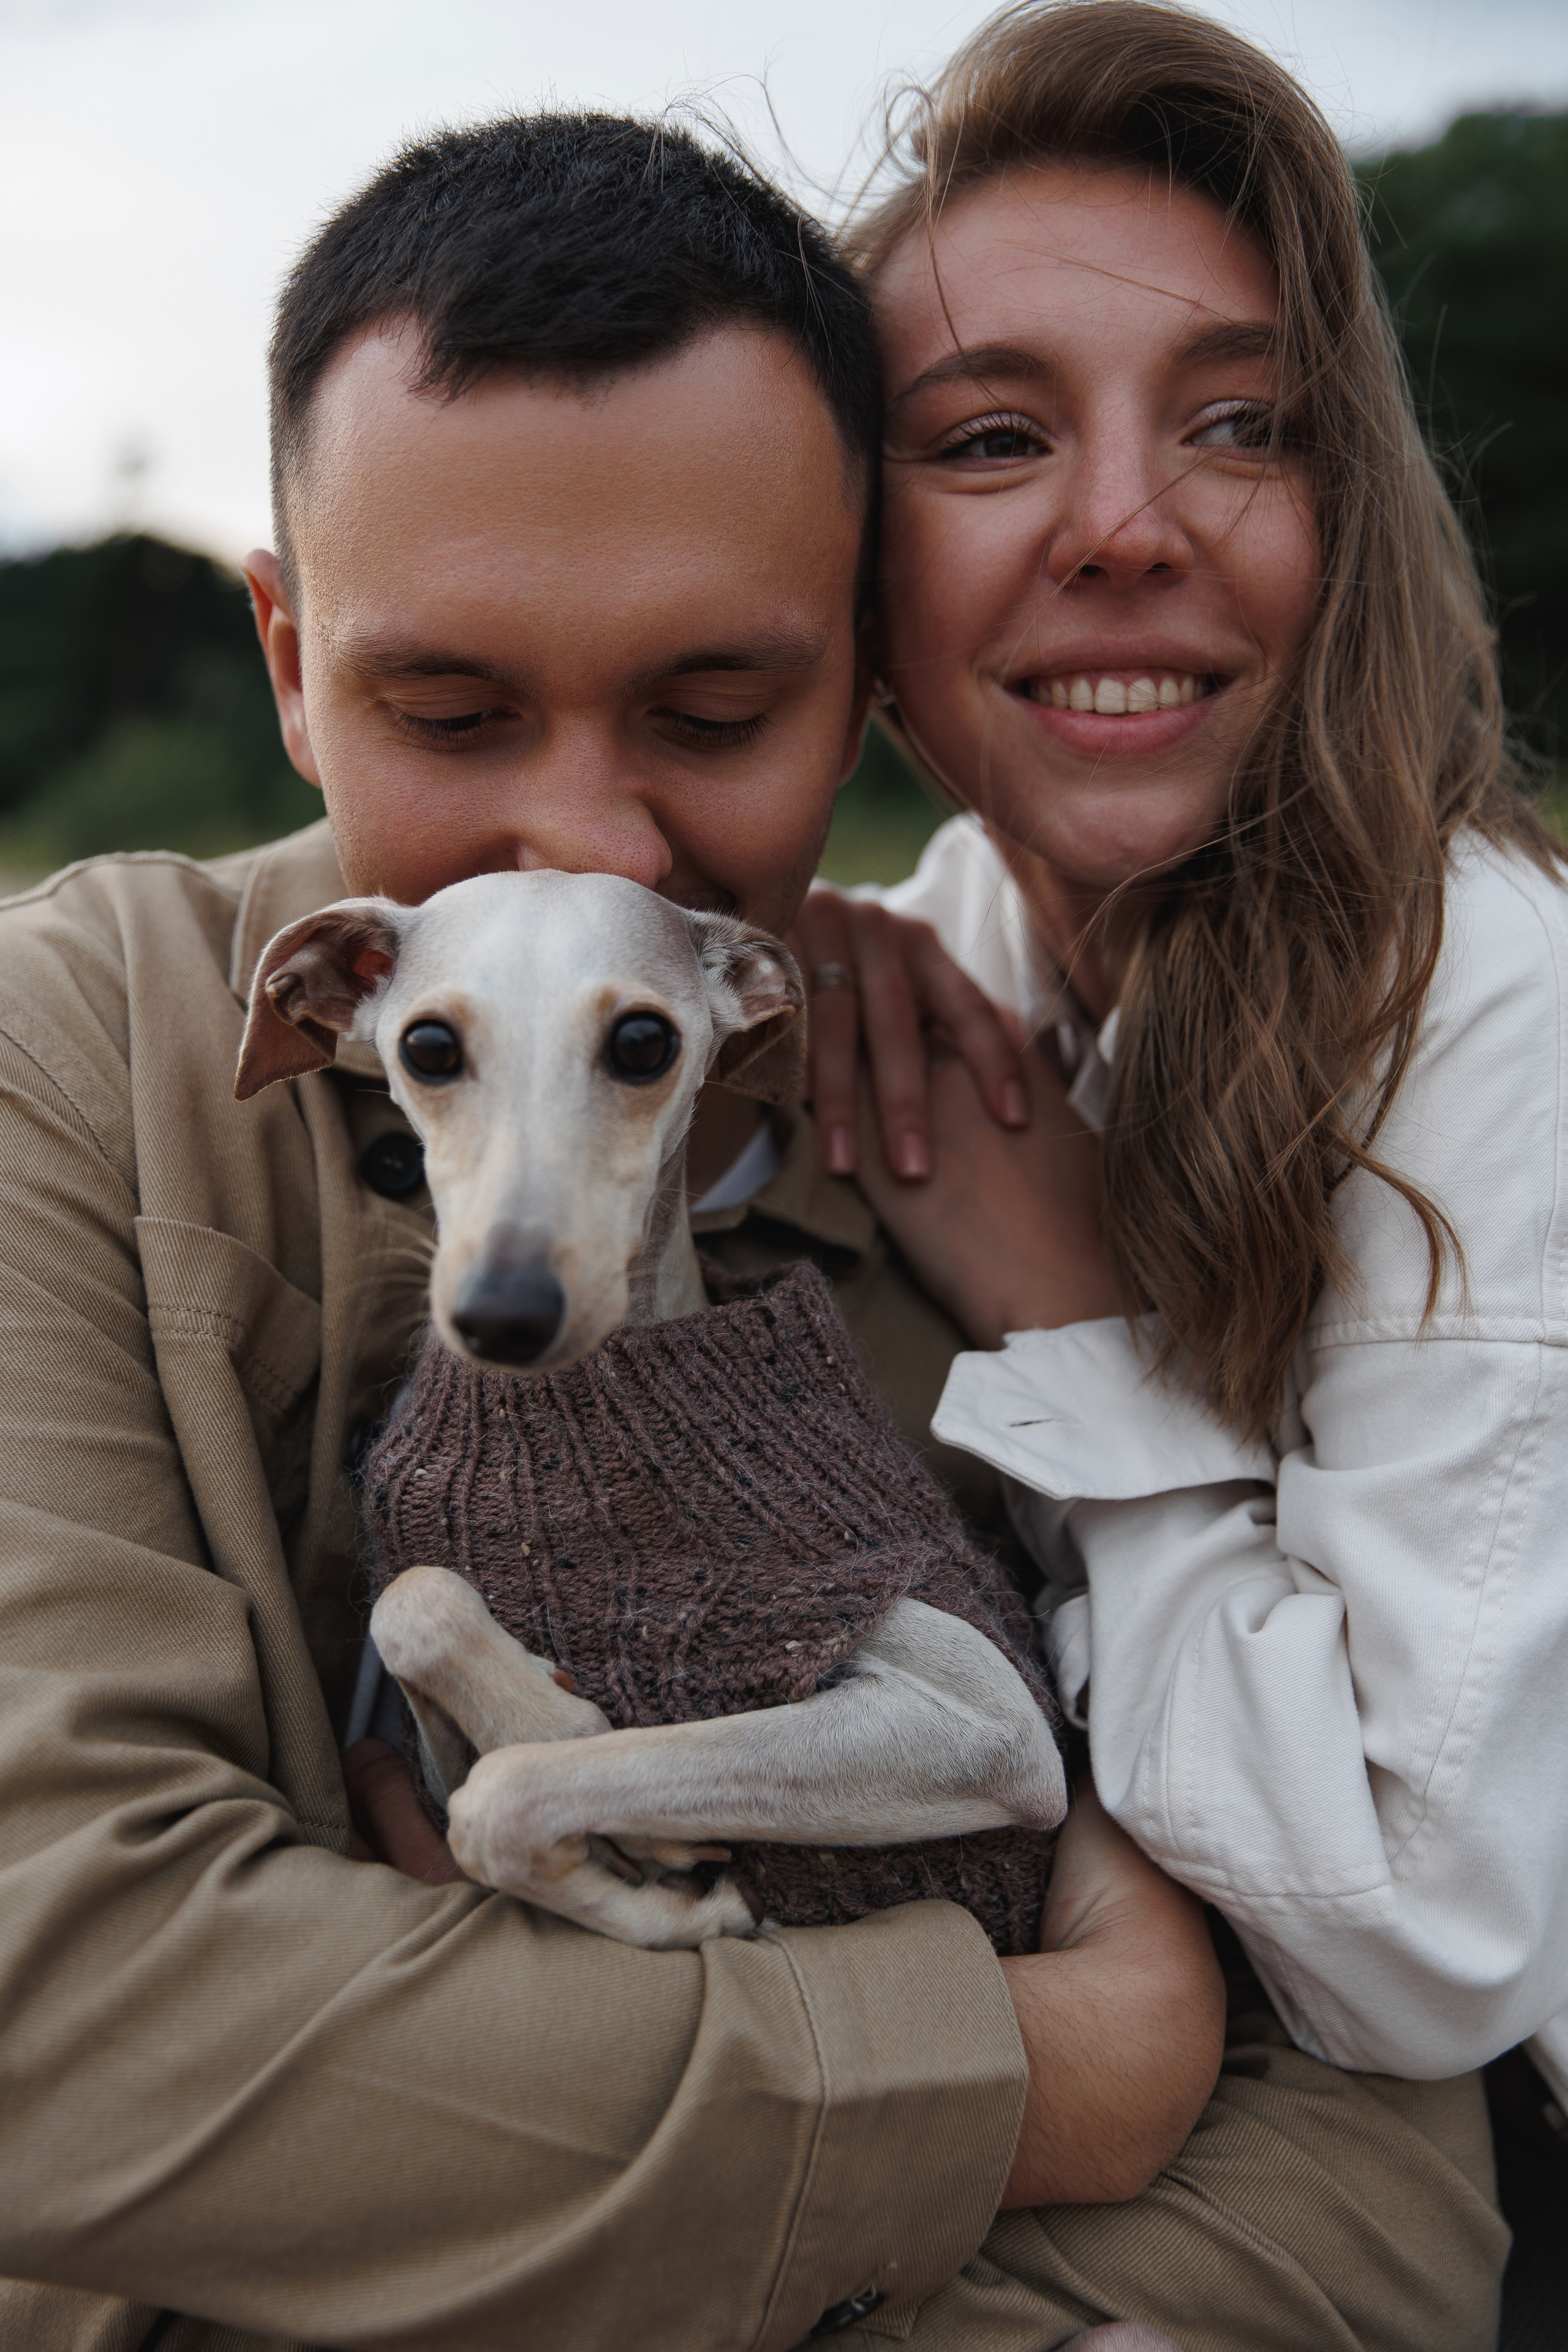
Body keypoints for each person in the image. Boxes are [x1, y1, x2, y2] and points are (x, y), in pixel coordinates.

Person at [0, 111, 1221, 2352]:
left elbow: (1371, 2184)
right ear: (289, 663)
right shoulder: (58, 1059)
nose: (585, 835)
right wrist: (1056, 2069)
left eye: (715, 708)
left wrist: (1096, 1339)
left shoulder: (1031, 1149)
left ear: (864, 677)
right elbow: (53, 2028)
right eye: (448, 710)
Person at [800, 0, 1568, 2337]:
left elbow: (1431, 1940)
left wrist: (1072, 1338)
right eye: (994, 436)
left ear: (1340, 521)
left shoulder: (1487, 1008)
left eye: (1242, 426)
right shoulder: (927, 961)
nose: (1128, 524)